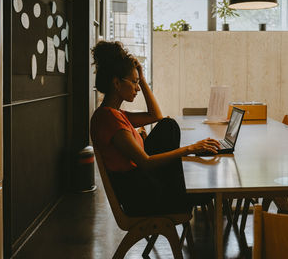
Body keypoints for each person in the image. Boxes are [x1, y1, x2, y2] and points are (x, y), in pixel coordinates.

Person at [90, 41, 220, 217]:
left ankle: (191, 183)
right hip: (142, 198)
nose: (137, 88)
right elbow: (146, 162)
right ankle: (192, 186)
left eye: (138, 83)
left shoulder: (114, 114)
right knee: (208, 189)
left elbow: (156, 116)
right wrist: (190, 149)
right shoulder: (109, 119)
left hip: (143, 184)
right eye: (134, 82)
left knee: (169, 125)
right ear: (117, 83)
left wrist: (142, 79)